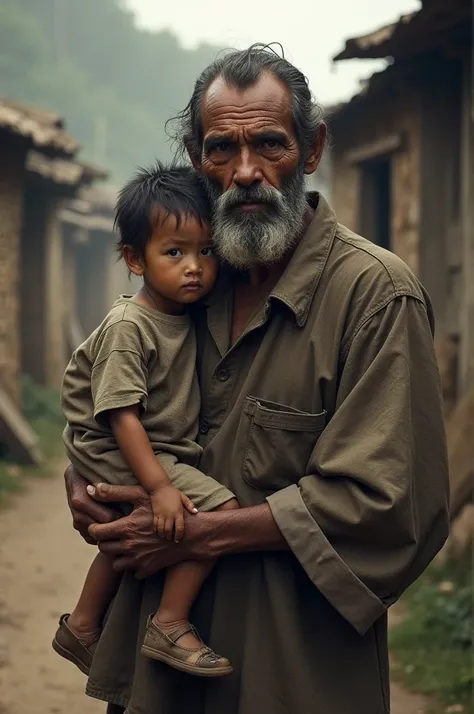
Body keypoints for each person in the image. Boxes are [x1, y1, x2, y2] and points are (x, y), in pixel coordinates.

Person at [64, 45, 450, 714]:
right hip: (155, 679)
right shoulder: (185, 286)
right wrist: (86, 485)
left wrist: (202, 532)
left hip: (295, 670)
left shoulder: (375, 296)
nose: (245, 172)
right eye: (221, 149)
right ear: (195, 156)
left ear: (311, 147)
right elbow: (109, 401)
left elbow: (392, 502)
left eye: (269, 143)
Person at [54, 164, 238, 679]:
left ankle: (83, 626)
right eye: (174, 252)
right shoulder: (130, 326)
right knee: (217, 511)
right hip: (115, 444)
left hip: (136, 445)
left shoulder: (183, 315)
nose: (195, 267)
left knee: (124, 533)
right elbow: (120, 413)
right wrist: (158, 486)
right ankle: (170, 621)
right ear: (135, 259)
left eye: (207, 251)